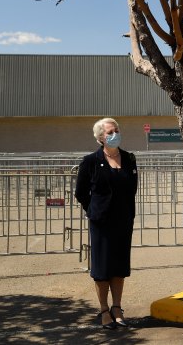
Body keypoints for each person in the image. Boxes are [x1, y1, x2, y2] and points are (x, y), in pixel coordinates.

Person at [75, 118, 138, 329]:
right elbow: (81, 192)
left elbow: (132, 188)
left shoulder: (129, 159)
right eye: (111, 131)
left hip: (123, 221)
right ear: (101, 137)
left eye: (117, 130)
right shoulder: (91, 161)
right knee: (102, 268)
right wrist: (93, 210)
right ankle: (104, 309)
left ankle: (117, 308)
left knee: (119, 266)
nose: (115, 134)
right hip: (101, 222)